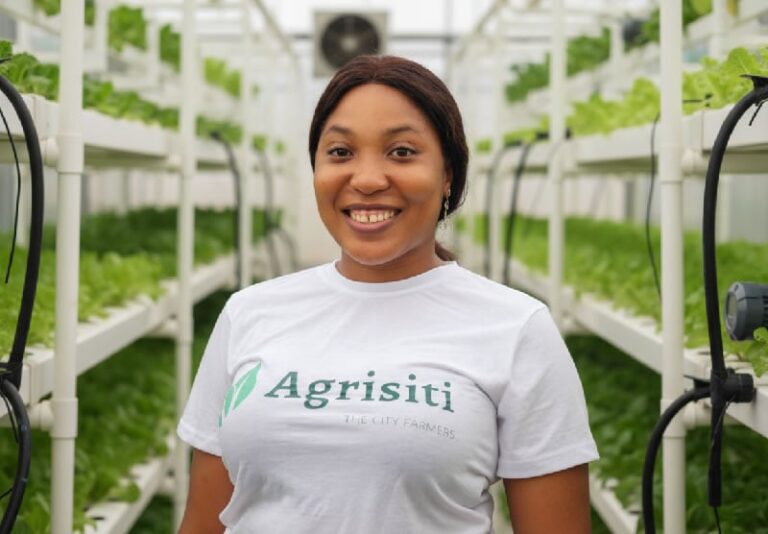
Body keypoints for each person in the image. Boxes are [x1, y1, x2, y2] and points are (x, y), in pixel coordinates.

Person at [177, 55, 598, 534]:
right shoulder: (249, 312)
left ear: (448, 175)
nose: (368, 179)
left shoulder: (516, 327)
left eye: (401, 152)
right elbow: (202, 523)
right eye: (340, 152)